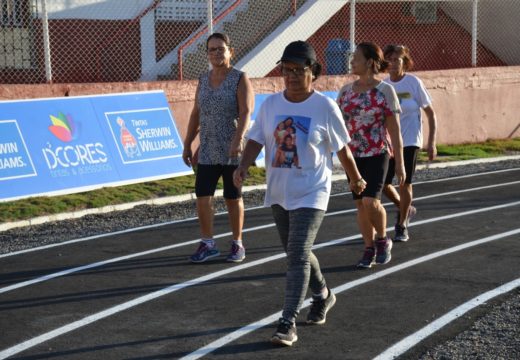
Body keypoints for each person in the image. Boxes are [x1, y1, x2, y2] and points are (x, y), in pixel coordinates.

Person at [233, 41, 365, 347]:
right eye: (285, 69)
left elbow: (342, 148)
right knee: (298, 252)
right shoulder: (271, 106)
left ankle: (287, 321)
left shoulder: (324, 106)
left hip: (313, 190)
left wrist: (355, 177)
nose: (290, 76)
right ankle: (324, 295)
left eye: (297, 70)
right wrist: (243, 165)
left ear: (313, 72)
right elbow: (256, 139)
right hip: (280, 190)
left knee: (297, 256)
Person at [182, 33, 254, 263]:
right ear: (207, 54)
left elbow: (245, 112)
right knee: (203, 196)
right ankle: (208, 242)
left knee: (233, 197)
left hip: (231, 150)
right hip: (208, 149)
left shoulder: (240, 78)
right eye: (212, 50)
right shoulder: (203, 79)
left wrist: (237, 140)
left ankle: (237, 243)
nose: (216, 53)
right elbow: (196, 113)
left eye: (220, 49)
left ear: (230, 51)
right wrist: (187, 144)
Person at [337, 42, 405, 269]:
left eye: (356, 57)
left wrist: (400, 164)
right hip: (353, 155)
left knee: (370, 201)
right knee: (360, 205)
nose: (351, 61)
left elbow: (394, 130)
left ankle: (382, 240)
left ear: (369, 62)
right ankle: (368, 247)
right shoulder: (345, 92)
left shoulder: (385, 91)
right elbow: (338, 126)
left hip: (378, 152)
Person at [382, 44, 438, 242]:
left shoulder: (413, 83)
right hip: (389, 143)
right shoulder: (384, 86)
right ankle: (404, 207)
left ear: (404, 62)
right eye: (389, 60)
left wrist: (431, 142)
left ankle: (401, 224)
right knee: (383, 184)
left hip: (411, 140)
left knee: (405, 181)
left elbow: (430, 114)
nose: (392, 63)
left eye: (396, 60)